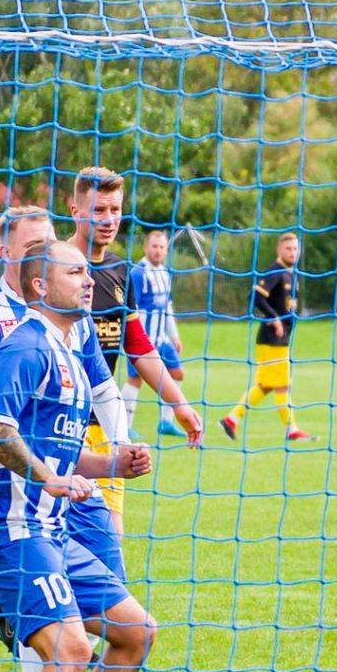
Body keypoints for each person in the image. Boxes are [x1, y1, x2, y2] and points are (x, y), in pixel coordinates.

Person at [0, 240, 160, 672]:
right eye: (75, 271)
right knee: (73, 645)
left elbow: (64, 455)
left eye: (88, 271)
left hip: (53, 528)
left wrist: (113, 465)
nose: (89, 279)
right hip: (10, 529)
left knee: (136, 633)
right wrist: (49, 478)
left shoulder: (73, 354)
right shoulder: (23, 347)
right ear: (40, 286)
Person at [65, 167, 206, 505]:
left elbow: (138, 345)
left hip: (106, 426)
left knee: (111, 539)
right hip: (59, 429)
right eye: (98, 210)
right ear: (76, 211)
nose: (109, 219)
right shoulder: (53, 265)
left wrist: (179, 403)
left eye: (115, 209)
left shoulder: (119, 270)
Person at [222, 231, 308, 443]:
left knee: (267, 385)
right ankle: (292, 429)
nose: (292, 252)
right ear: (279, 250)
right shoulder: (275, 271)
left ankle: (231, 419)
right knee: (282, 385)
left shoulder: (291, 273)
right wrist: (275, 318)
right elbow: (255, 297)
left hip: (280, 338)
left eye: (295, 248)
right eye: (288, 248)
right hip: (271, 338)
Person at [126, 229, 188, 442]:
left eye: (162, 247)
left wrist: (174, 335)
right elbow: (130, 307)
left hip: (162, 339)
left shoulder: (164, 273)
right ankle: (126, 427)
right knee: (136, 379)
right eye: (154, 246)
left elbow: (167, 306)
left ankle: (166, 422)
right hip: (142, 340)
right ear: (146, 248)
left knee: (178, 373)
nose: (159, 250)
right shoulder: (138, 273)